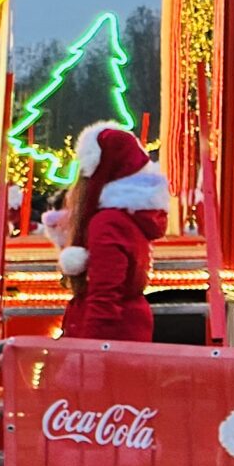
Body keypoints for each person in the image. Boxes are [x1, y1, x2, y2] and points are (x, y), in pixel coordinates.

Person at [47, 122, 167, 343]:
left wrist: (90, 353)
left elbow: (105, 299)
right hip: (126, 334)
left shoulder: (108, 224)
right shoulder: (128, 218)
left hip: (108, 343)